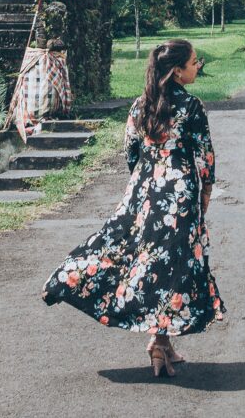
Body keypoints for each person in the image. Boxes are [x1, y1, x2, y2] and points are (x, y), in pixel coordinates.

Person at [41, 37, 222, 376]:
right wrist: (204, 195)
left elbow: (131, 152)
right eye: (194, 61)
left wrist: (143, 185)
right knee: (172, 268)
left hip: (142, 192)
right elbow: (205, 158)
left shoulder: (141, 105)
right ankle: (159, 343)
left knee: (129, 253)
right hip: (180, 195)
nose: (198, 66)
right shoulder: (192, 107)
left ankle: (160, 342)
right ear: (177, 72)